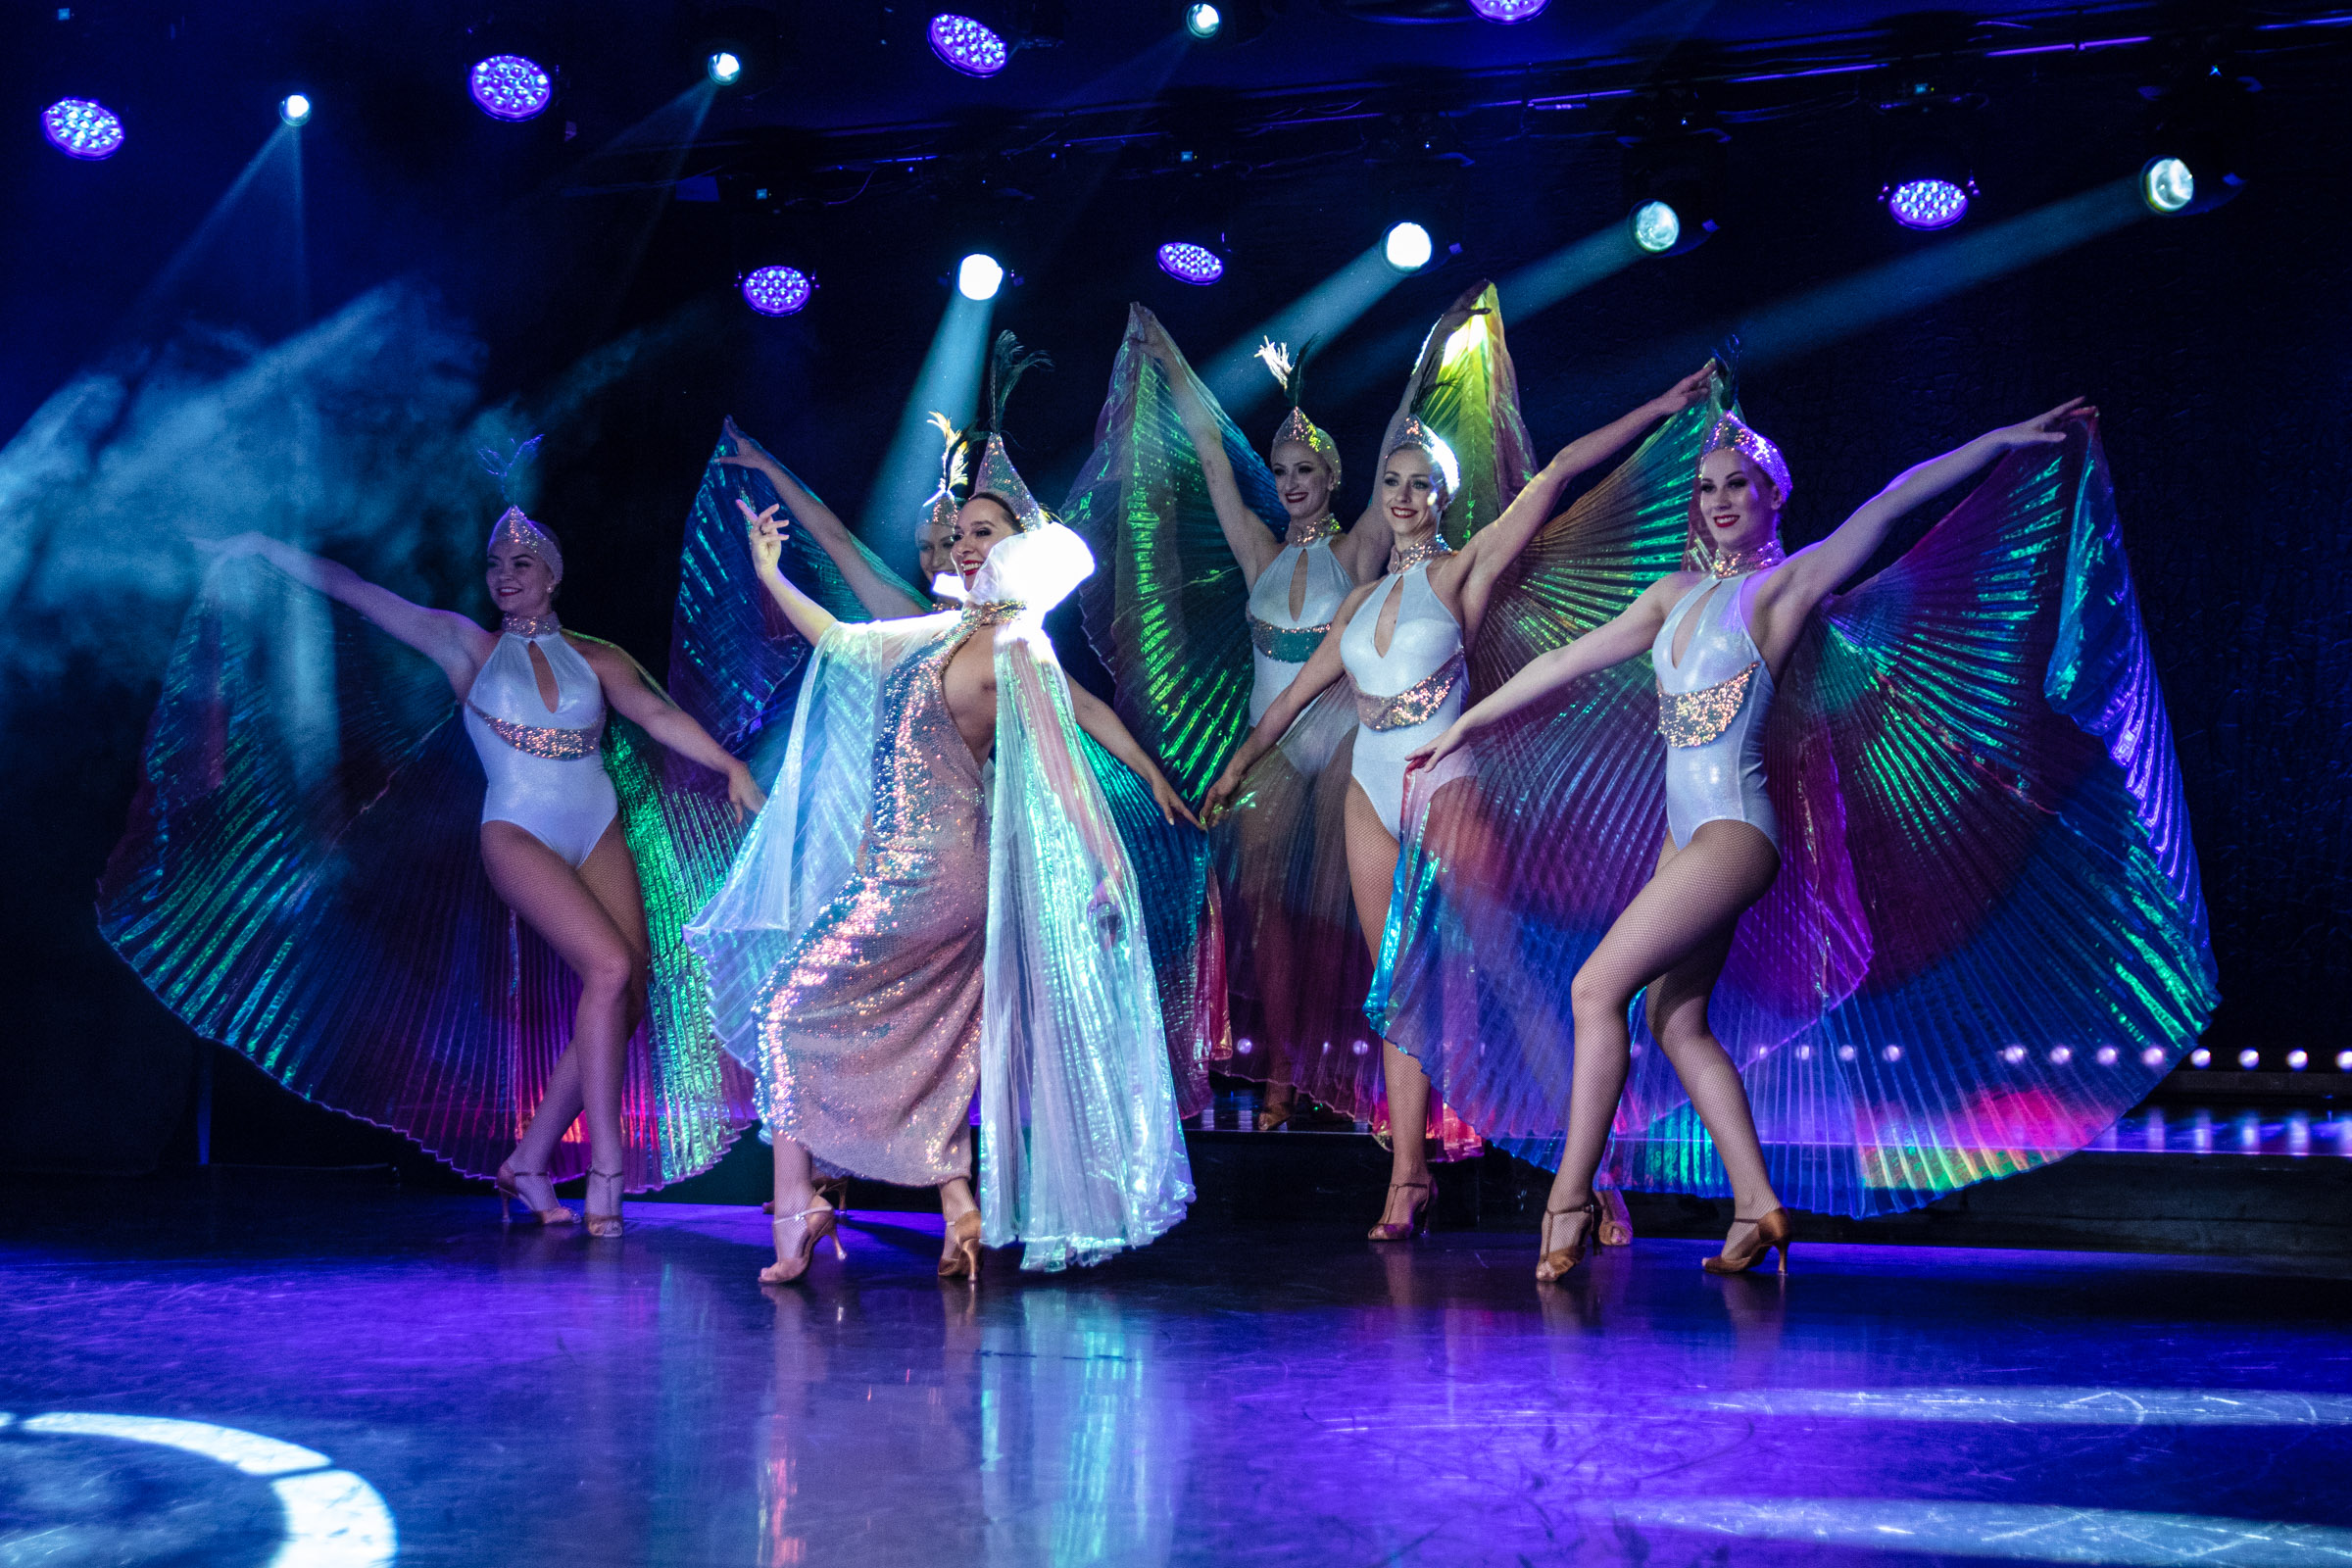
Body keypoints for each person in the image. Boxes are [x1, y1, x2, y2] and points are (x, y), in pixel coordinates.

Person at [1396, 379, 2216, 1280]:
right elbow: (1562, 659)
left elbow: (1892, 503)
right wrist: (1464, 728)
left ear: (1772, 495)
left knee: (1595, 991)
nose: (1719, 501)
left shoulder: (1782, 591)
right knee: (1676, 1021)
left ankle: (1568, 1203)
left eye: (1738, 485)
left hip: (1733, 836)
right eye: (1707, 487)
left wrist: (2003, 438)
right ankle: (1757, 1207)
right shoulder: (1671, 596)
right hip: (1684, 838)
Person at [101, 450, 762, 1238]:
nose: (504, 576)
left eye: (521, 563)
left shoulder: (598, 658)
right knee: (610, 969)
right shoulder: (465, 646)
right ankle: (607, 1174)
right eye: (494, 564)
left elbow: (657, 716)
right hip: (516, 830)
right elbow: (354, 589)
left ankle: (529, 1162)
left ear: (553, 576)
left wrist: (729, 767)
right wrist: (262, 547)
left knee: (625, 996)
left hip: (598, 827)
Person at [687, 333, 1200, 1285]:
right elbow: (839, 639)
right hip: (916, 870)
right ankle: (955, 1208)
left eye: (984, 533)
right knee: (917, 1042)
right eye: (959, 533)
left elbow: (1063, 764)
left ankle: (799, 1213)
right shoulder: (942, 630)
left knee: (789, 1010)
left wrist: (1104, 867)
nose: (965, 545)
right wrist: (769, 576)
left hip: (929, 874)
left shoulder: (1017, 646)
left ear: (1022, 548)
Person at [1205, 358, 1717, 1241]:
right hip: (1368, 789)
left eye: (1420, 484)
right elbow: (1290, 702)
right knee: (1394, 985)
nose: (1404, 497)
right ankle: (1407, 1178)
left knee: (1510, 974)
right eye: (1392, 483)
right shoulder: (1359, 599)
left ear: (1442, 497)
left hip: (1446, 781)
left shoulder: (1461, 573)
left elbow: (1558, 472)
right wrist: (1236, 765)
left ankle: (1590, 1172)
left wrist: (1662, 402)